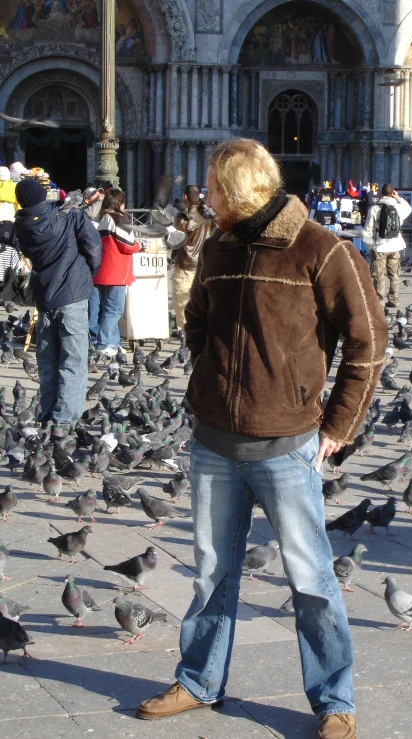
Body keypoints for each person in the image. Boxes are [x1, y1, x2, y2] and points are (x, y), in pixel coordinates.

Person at [136, 138, 388, 739]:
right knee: (210, 574)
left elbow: (369, 341)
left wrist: (336, 427)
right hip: (214, 443)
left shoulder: (322, 251)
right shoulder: (220, 244)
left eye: (214, 187)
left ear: (240, 188)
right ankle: (198, 680)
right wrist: (211, 371)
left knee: (312, 581)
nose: (207, 196)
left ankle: (334, 702)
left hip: (285, 446)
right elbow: (196, 315)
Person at [13, 178, 101, 426]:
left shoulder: (22, 226)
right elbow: (93, 247)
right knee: (73, 362)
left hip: (45, 296)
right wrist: (86, 273)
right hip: (72, 293)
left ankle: (47, 414)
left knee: (48, 360)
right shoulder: (70, 217)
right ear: (44, 195)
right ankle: (63, 422)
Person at [88, 189, 141, 356]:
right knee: (114, 310)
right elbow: (127, 244)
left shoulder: (102, 218)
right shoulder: (118, 218)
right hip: (116, 272)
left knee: (107, 309)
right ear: (121, 203)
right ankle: (103, 344)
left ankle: (114, 343)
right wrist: (138, 245)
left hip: (102, 271)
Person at [171, 185, 215, 331]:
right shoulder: (208, 216)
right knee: (202, 304)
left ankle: (185, 338)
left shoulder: (182, 217)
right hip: (204, 267)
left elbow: (174, 240)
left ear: (185, 197)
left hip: (185, 266)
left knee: (182, 306)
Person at [362, 183, 412, 308]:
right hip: (396, 246)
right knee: (394, 274)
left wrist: (370, 247)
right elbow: (409, 208)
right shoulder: (398, 207)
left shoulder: (374, 209)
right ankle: (394, 300)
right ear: (392, 193)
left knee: (378, 275)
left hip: (380, 246)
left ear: (381, 194)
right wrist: (398, 198)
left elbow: (368, 231)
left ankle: (379, 301)